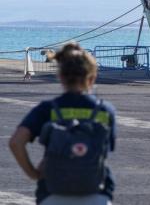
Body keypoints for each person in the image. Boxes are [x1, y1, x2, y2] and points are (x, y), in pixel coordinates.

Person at [9, 43, 116, 205]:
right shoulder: (105, 111)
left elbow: (16, 142)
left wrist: (33, 173)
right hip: (96, 195)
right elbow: (105, 150)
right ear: (92, 77)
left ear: (60, 76)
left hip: (52, 194)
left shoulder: (47, 109)